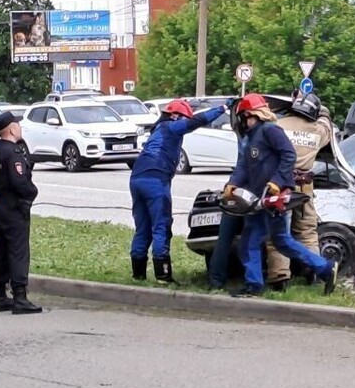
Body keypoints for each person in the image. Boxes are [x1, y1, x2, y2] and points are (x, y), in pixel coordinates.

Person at [208, 93, 336, 297]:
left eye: (244, 116)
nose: (243, 121)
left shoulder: (270, 130)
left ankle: (254, 286)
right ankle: (325, 268)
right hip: (259, 198)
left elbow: (289, 155)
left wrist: (277, 181)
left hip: (270, 197)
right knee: (282, 241)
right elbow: (244, 165)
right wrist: (233, 184)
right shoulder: (251, 137)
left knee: (250, 242)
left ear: (251, 114)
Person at [129, 99, 225, 283]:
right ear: (175, 116)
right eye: (183, 118)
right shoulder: (170, 127)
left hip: (136, 178)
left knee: (142, 228)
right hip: (155, 180)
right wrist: (223, 107)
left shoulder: (157, 130)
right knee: (161, 227)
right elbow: (196, 121)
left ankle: (138, 275)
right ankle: (163, 275)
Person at [267, 93, 335, 290]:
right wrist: (321, 110)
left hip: (279, 184)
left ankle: (279, 278)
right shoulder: (318, 130)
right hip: (304, 186)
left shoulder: (279, 126)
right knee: (306, 231)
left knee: (277, 234)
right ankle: (313, 273)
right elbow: (326, 120)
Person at [0, 111, 42, 315]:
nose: (20, 127)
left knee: (1, 251)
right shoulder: (13, 153)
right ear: (12, 129)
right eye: (18, 124)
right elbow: (20, 182)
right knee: (18, 252)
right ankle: (20, 297)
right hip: (15, 208)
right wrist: (32, 193)